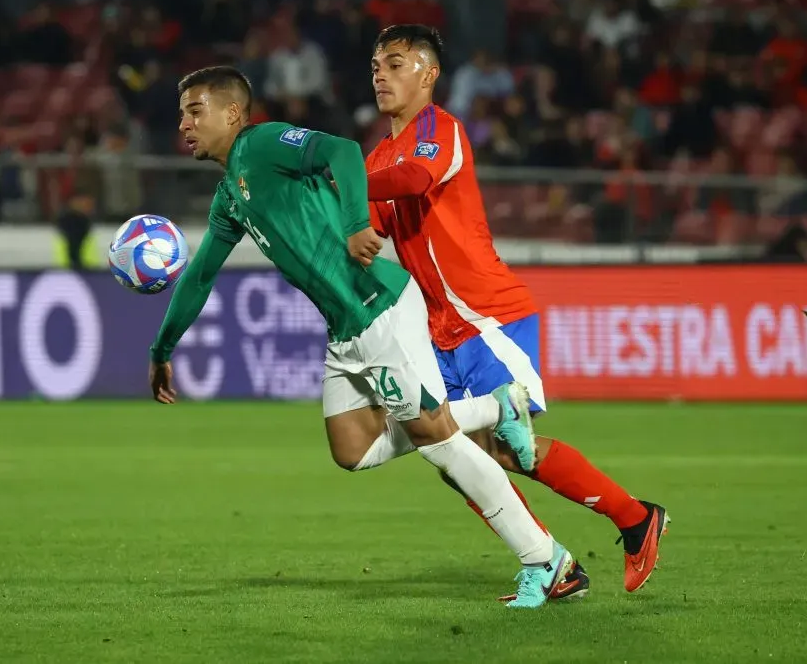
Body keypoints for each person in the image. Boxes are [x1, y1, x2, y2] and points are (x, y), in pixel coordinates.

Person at [148, 66, 576, 608]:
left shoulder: (261, 144)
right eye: (182, 112)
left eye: (194, 110)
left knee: (438, 443)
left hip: (380, 306)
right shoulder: (231, 193)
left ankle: (546, 560)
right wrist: (162, 349)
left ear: (232, 113)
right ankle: (495, 408)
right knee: (353, 448)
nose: (183, 123)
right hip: (346, 328)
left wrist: (355, 223)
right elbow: (202, 273)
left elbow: (344, 151)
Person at [364, 25, 669, 595]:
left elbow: (413, 178)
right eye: (376, 64)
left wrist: (336, 175)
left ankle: (633, 520)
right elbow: (366, 232)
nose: (381, 73)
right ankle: (552, 561)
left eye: (396, 63)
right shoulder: (378, 156)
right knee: (459, 459)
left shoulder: (440, 131)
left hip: (485, 314)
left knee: (506, 449)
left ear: (428, 74)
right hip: (439, 330)